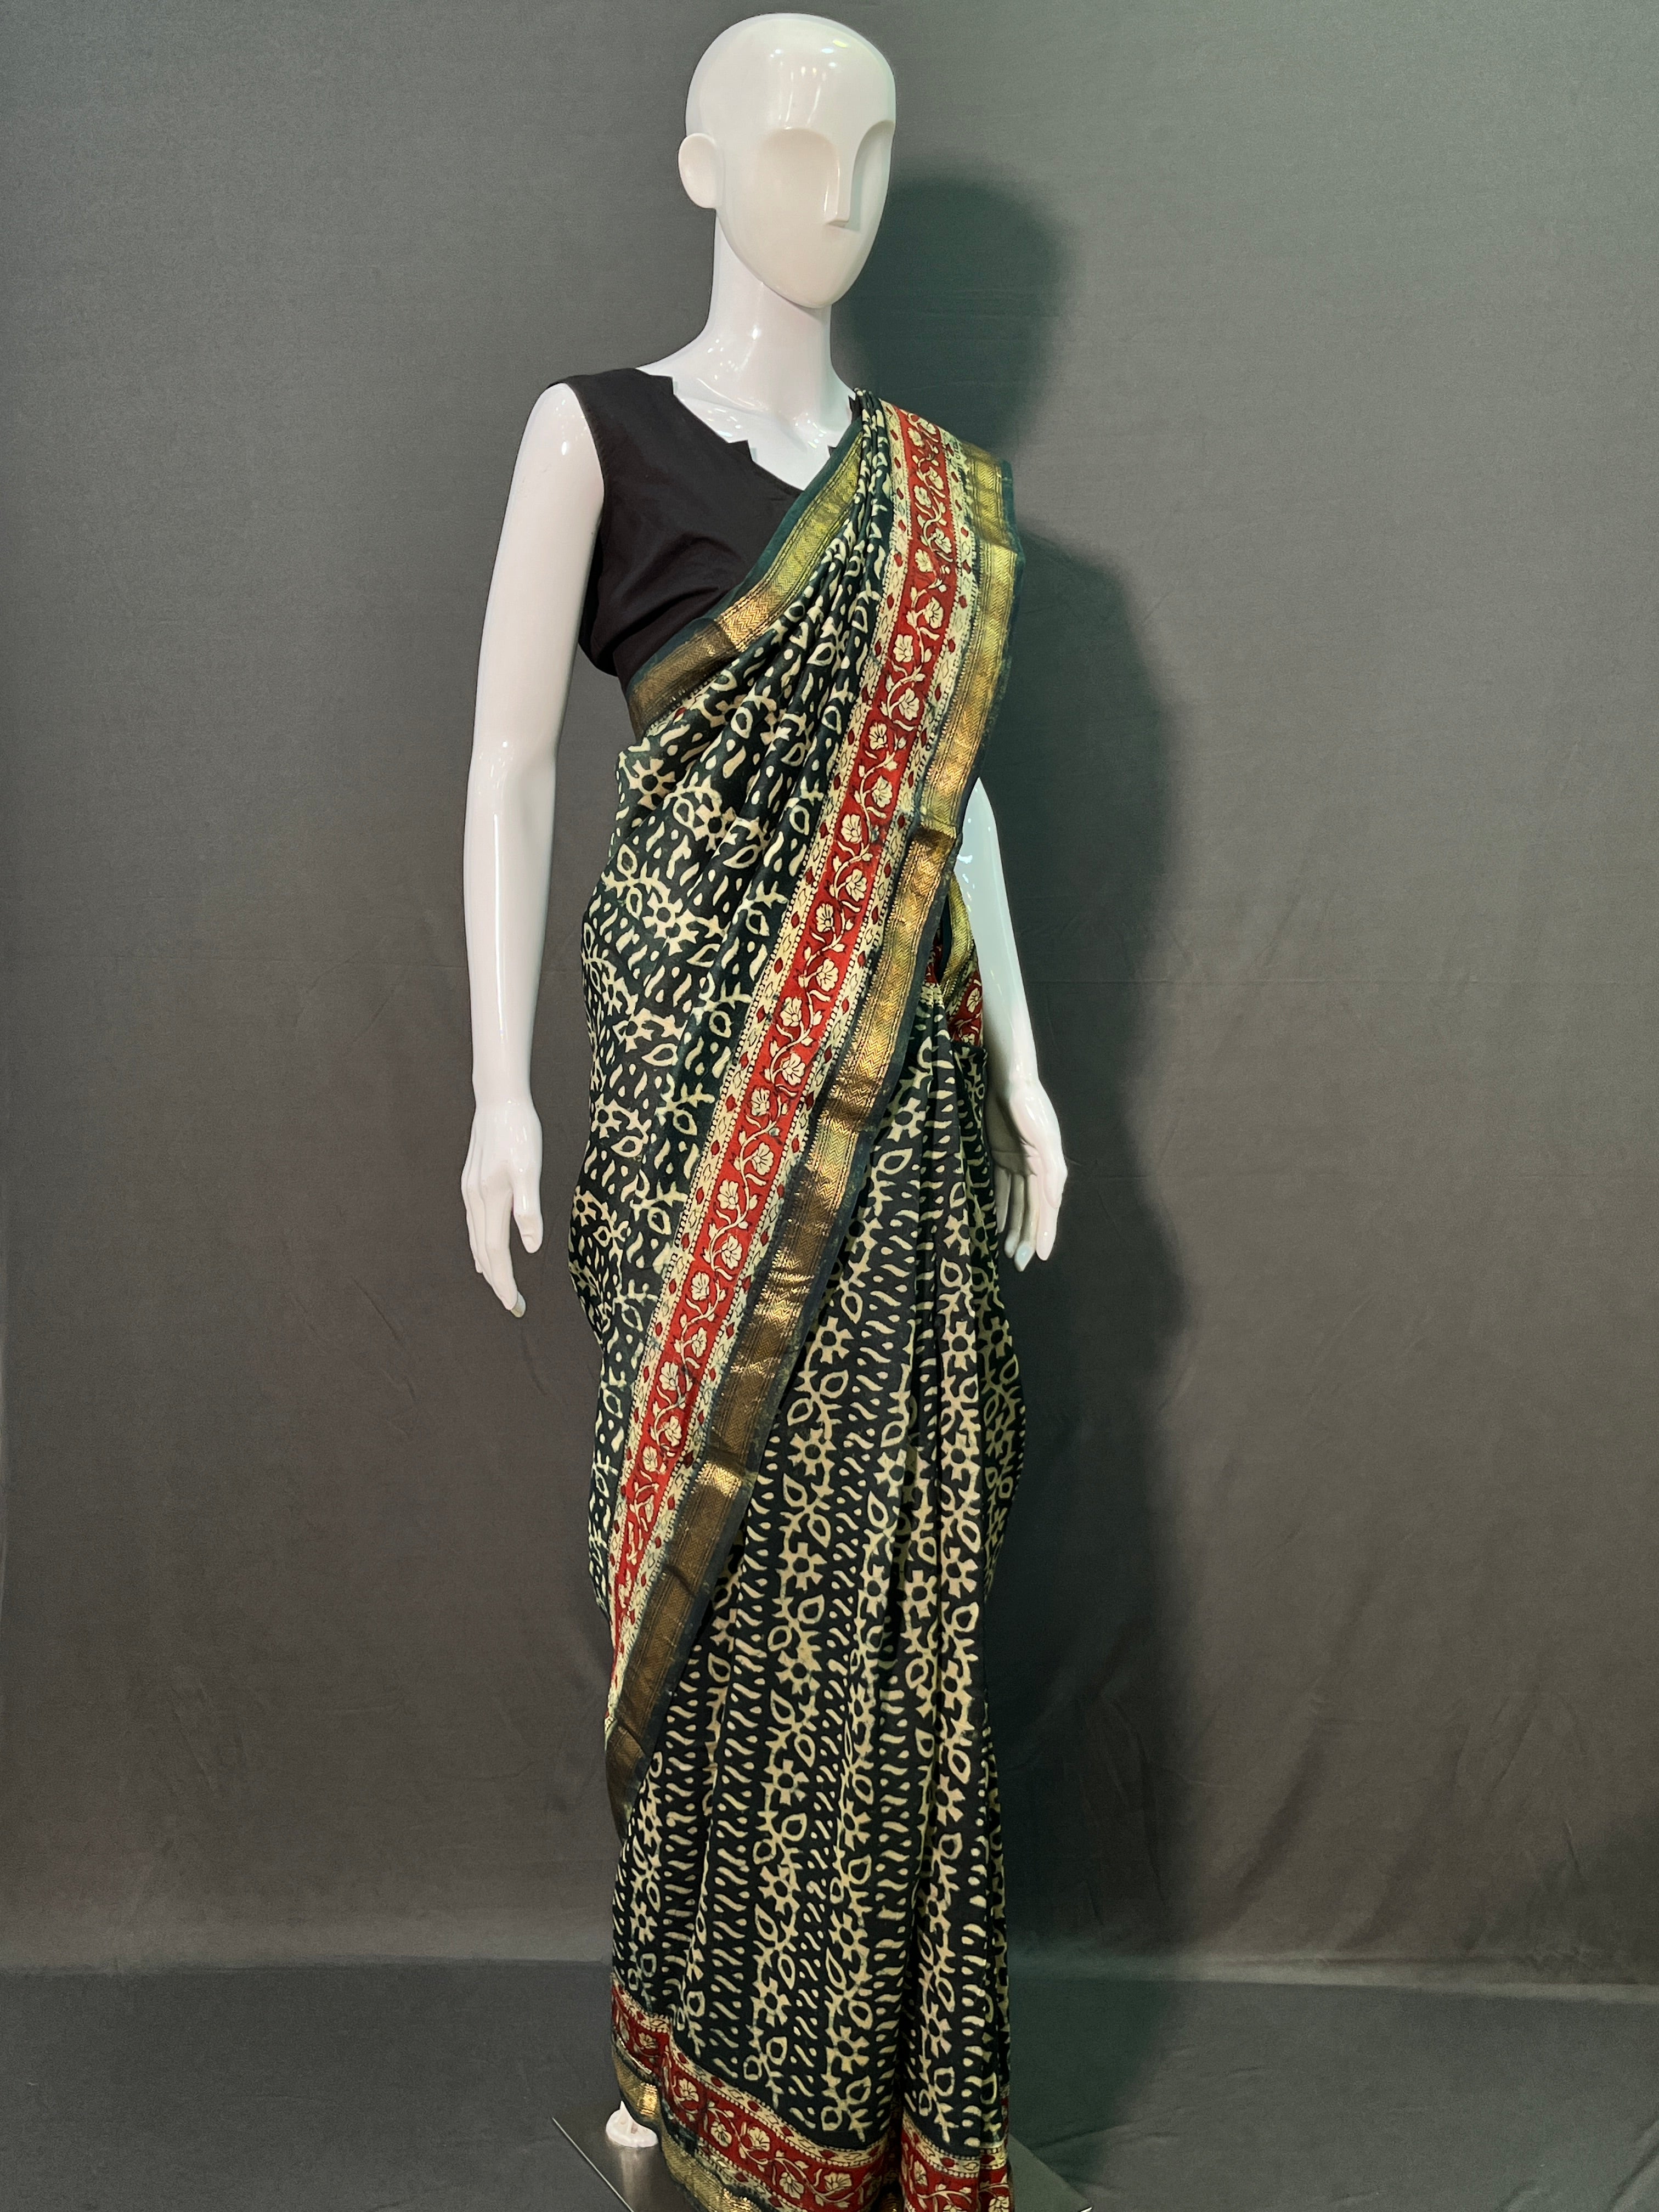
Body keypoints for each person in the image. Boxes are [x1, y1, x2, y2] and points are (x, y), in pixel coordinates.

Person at [460, 18, 1066, 2209]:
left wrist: (1030, 1072)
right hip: (677, 1072)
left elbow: (947, 805)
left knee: (884, 1572)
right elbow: (510, 767)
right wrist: (496, 1093)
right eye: (799, 139)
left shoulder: (929, 497)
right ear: (701, 164)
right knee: (701, 1563)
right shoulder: (594, 434)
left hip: (898, 1090)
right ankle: (679, 2042)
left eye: (875, 147)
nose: (842, 185)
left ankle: (855, 2090)